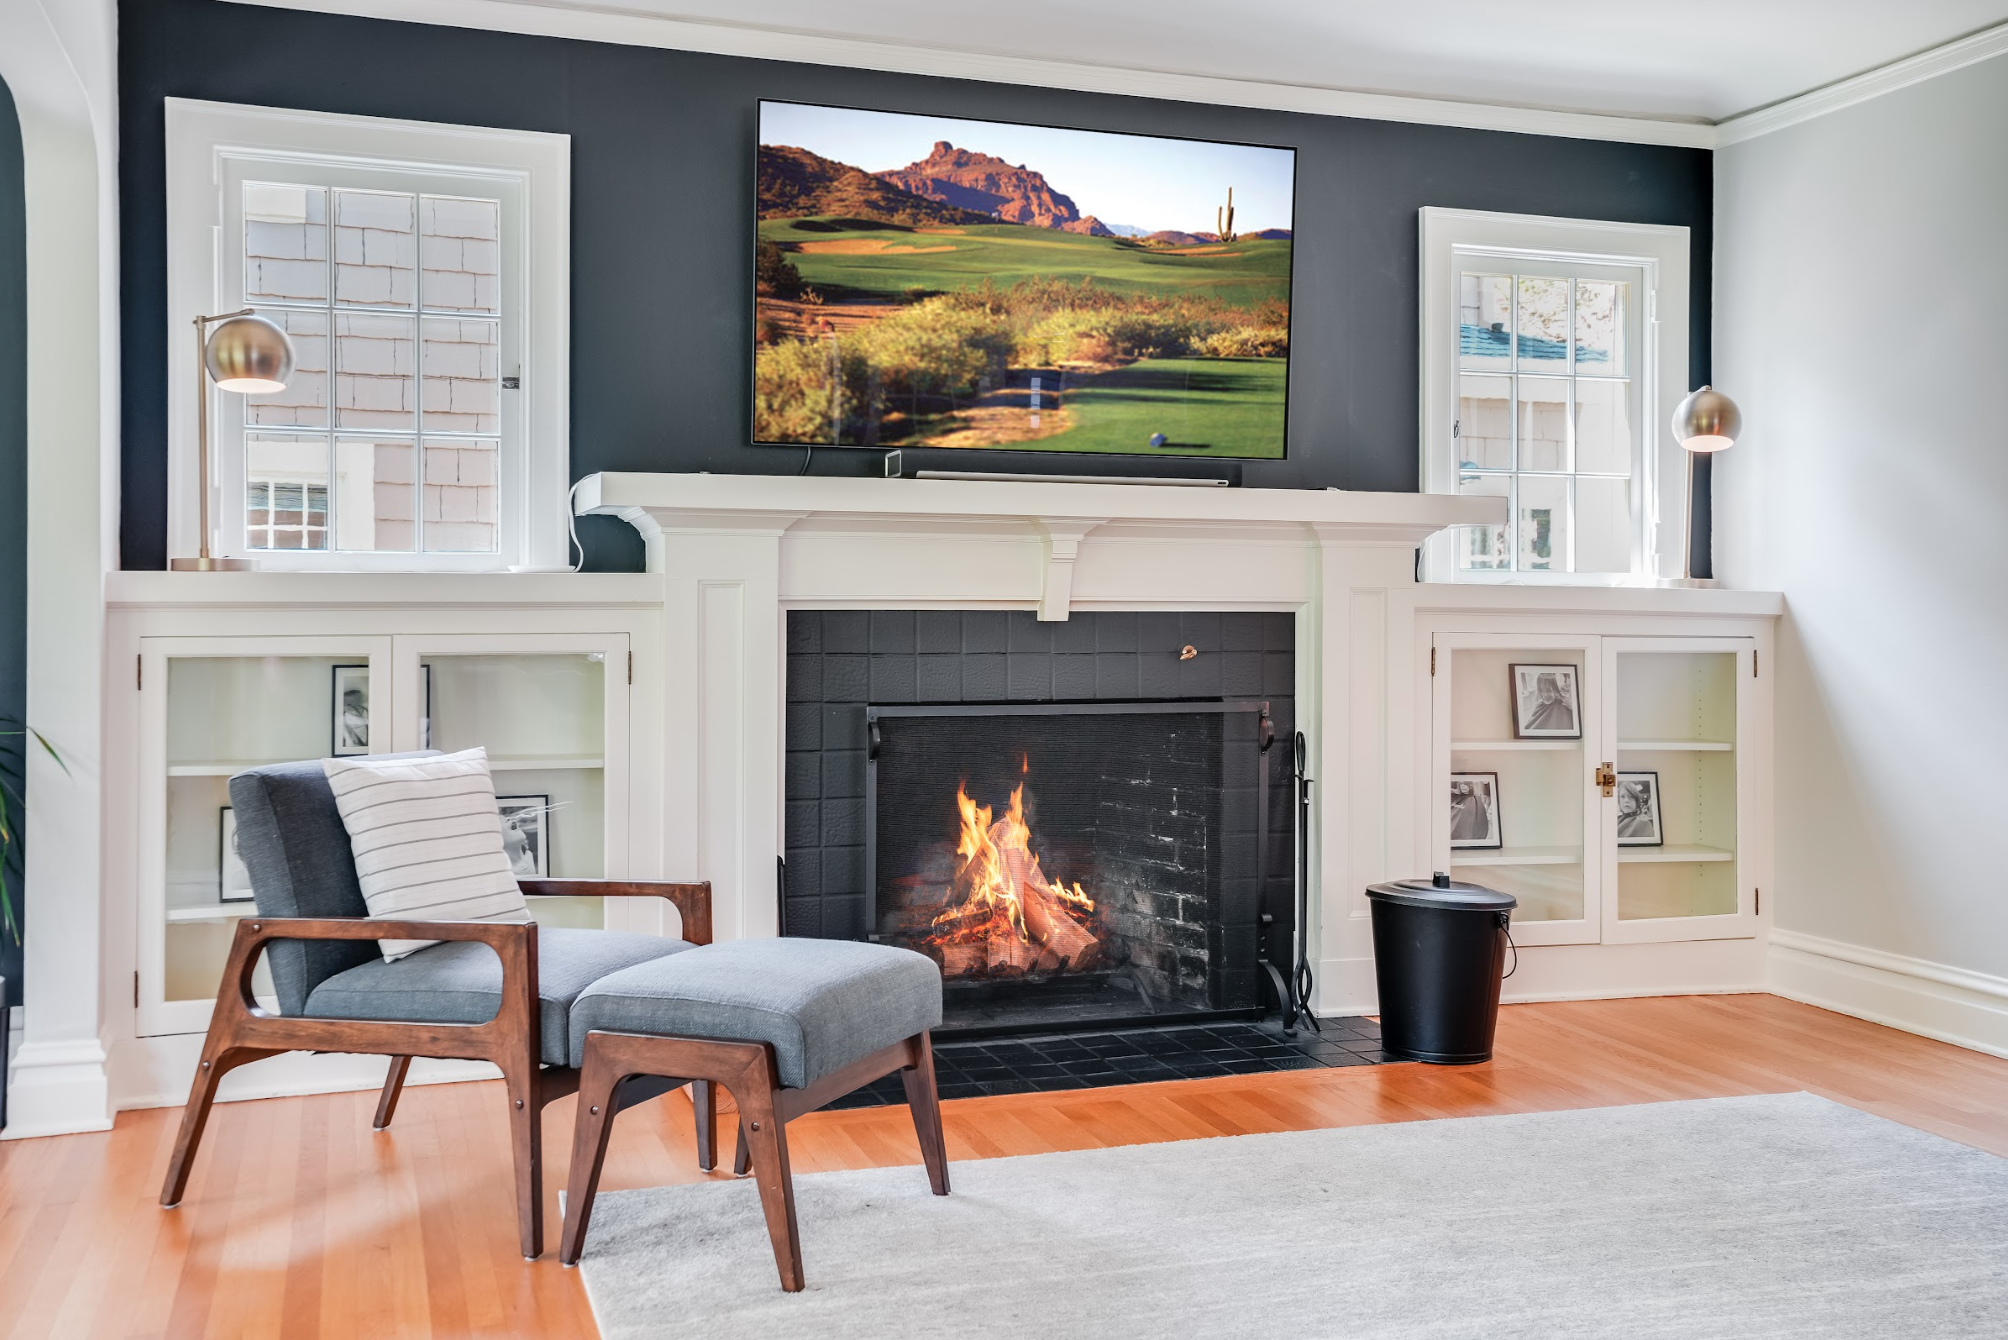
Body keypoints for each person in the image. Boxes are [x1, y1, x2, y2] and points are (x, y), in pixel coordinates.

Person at [1450, 779, 1492, 843]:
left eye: (1465, 784)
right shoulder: (1458, 799)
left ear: (1470, 786)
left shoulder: (1475, 800)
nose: (1463, 786)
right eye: (1461, 784)